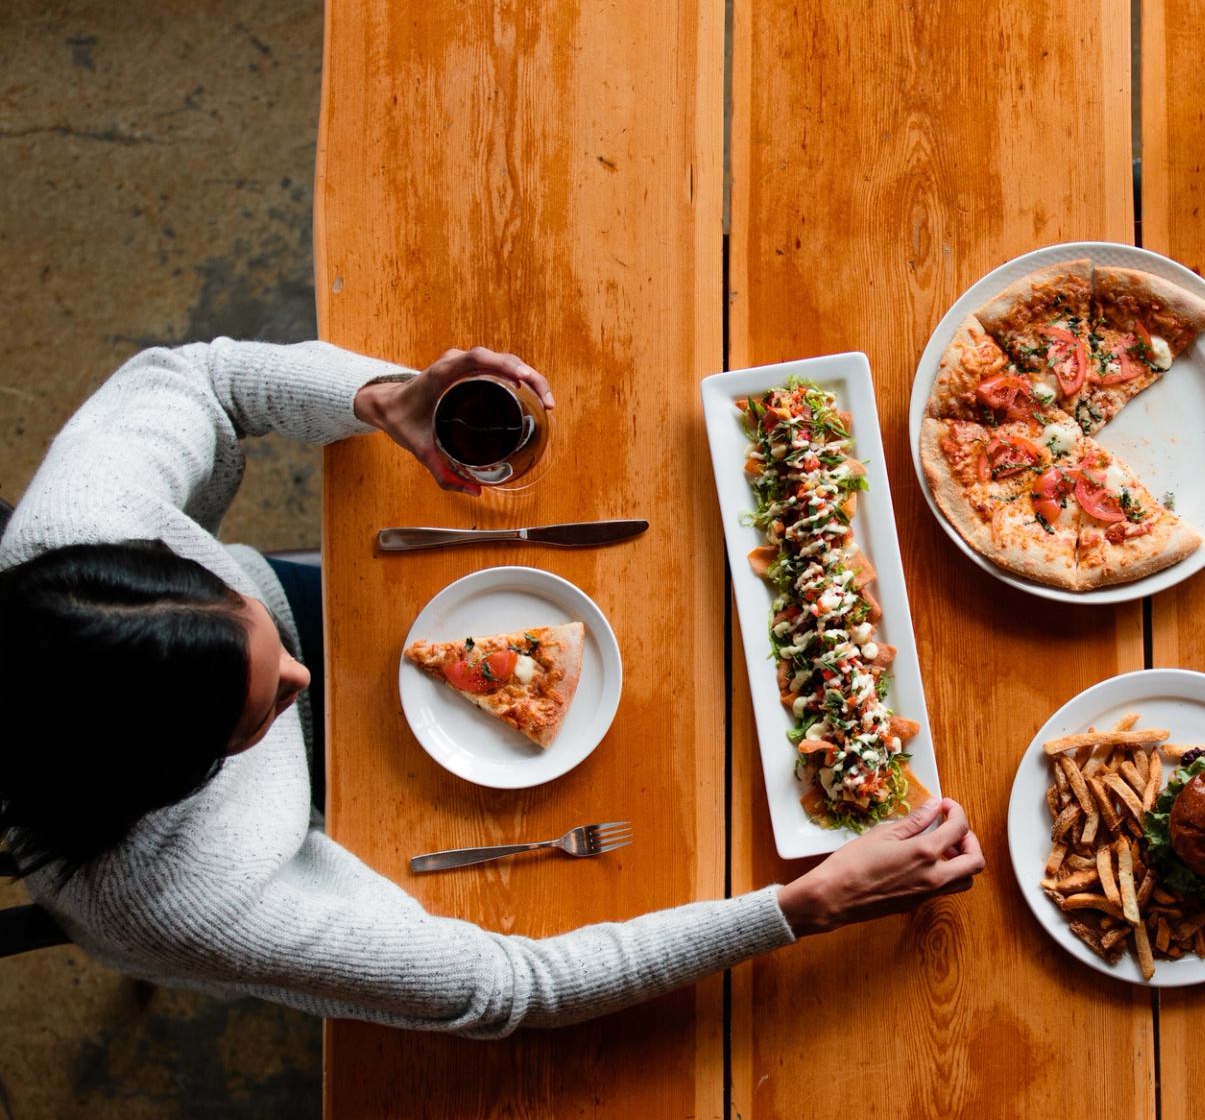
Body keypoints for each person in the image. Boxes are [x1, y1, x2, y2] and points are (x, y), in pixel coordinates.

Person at [0, 339, 983, 1034]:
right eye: (264, 705)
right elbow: (513, 982)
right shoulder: (177, 899)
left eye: (255, 638)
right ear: (180, 769)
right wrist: (797, 907)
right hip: (300, 845)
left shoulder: (82, 529)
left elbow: (199, 381)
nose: (307, 673)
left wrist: (380, 397)